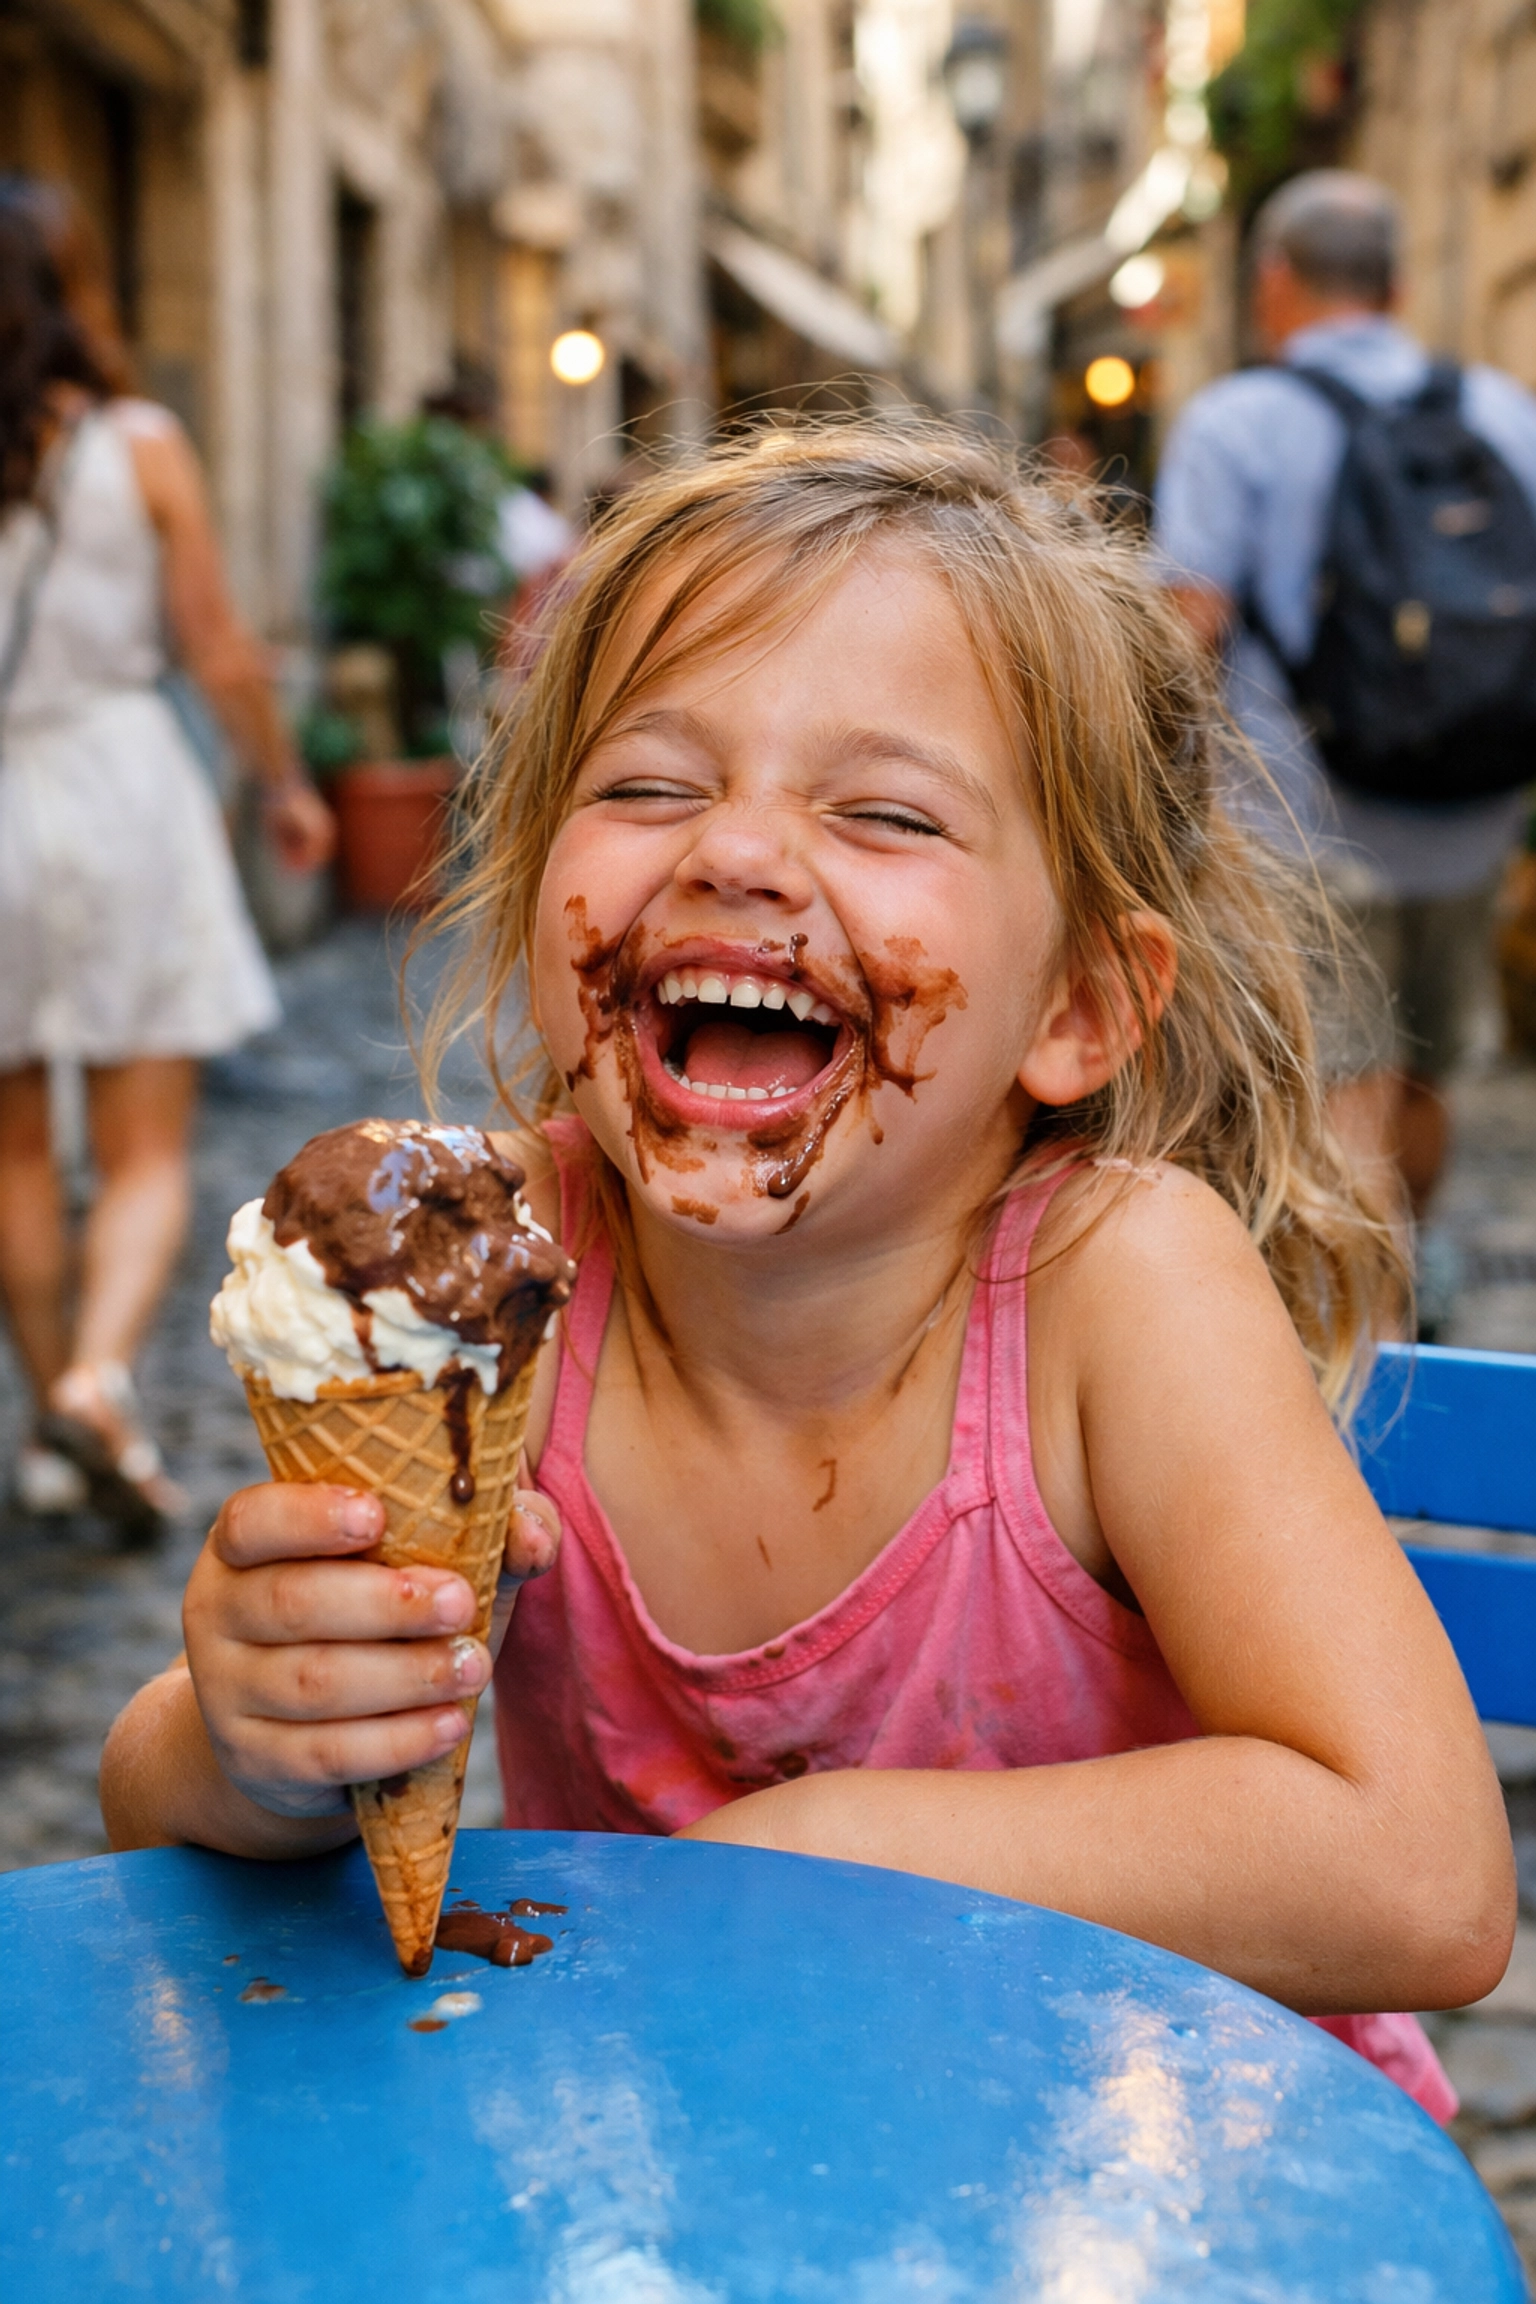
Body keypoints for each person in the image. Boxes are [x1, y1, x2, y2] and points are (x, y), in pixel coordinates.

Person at [101, 421, 1512, 2117]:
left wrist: (827, 1844)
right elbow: (146, 1802)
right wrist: (248, 1731)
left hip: (1179, 2175)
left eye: (882, 809)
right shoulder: (495, 1274)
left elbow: (1420, 1872)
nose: (738, 850)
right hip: (721, 2159)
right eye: (645, 784)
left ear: (1073, 1004)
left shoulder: (1115, 1287)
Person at [0, 178, 334, 1540]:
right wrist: (282, 779)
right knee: (144, 1148)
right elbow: (214, 640)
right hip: (122, 784)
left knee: (15, 1147)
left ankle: (45, 1430)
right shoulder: (139, 444)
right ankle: (98, 1374)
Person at [1154, 170, 1536, 1324]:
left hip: (1308, 824)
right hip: (1471, 814)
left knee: (1340, 1083)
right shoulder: (1501, 409)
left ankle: (1359, 1343)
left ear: (1274, 284)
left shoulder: (1236, 424)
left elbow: (1189, 628)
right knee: (1421, 1070)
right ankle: (1404, 1285)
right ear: (1398, 285)